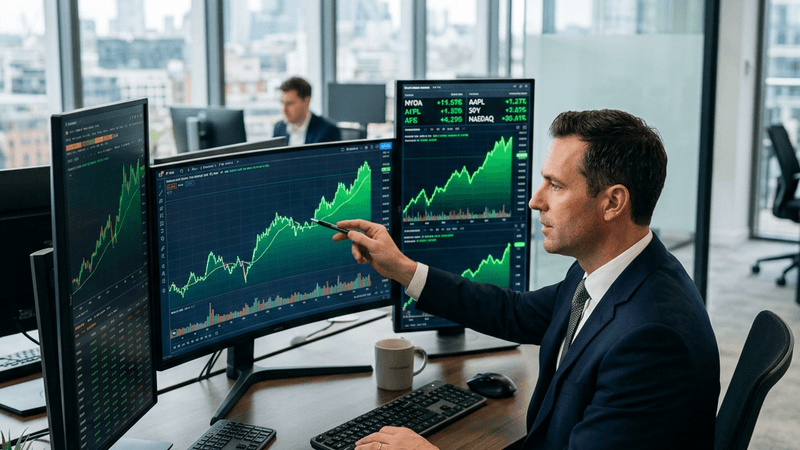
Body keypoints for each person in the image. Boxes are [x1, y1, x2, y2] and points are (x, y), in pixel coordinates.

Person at [332, 109, 720, 450]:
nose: (536, 200)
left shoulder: (651, 339)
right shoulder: (607, 271)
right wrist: (403, 268)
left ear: (613, 203)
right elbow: (515, 312)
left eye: (556, 185)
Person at [272, 76, 341, 145]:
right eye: (282, 103)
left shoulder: (328, 131)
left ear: (306, 101)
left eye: (290, 104)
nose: (284, 110)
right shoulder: (279, 128)